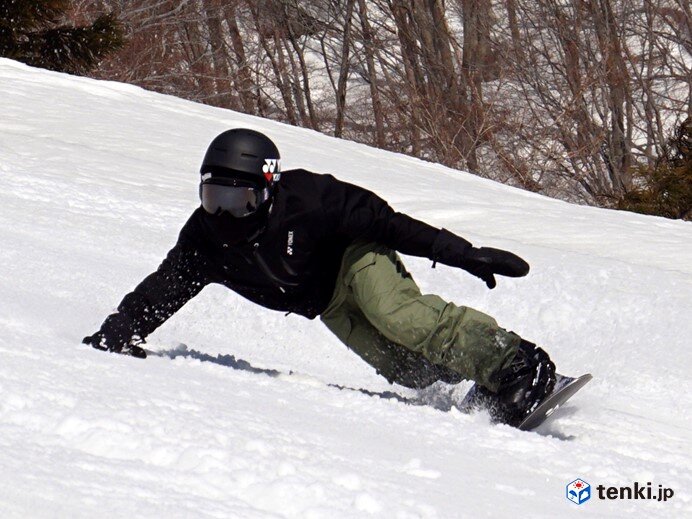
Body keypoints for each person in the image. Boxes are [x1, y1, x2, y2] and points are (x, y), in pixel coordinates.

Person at [84, 128, 556, 427]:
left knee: (397, 315)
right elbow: (162, 289)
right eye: (214, 198)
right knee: (405, 370)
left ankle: (516, 363)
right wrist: (120, 330)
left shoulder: (311, 200)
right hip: (324, 302)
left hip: (355, 259)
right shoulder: (205, 240)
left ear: (267, 191)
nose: (226, 214)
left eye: (240, 201)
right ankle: (479, 379)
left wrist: (463, 254)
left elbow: (388, 224)